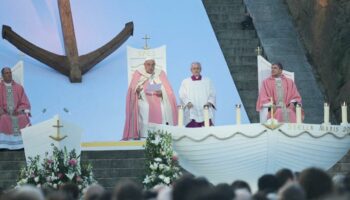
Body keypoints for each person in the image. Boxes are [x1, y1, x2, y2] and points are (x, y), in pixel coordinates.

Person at [123, 58, 178, 140]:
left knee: (163, 109)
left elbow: (168, 89)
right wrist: (137, 90)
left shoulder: (160, 73)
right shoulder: (138, 73)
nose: (151, 67)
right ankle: (144, 135)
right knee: (145, 108)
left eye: (153, 65)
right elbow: (132, 89)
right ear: (144, 65)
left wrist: (162, 92)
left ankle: (161, 133)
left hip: (159, 99)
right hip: (144, 99)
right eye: (148, 64)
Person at [0, 67, 31, 149]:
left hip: (17, 113)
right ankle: (4, 145)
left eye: (10, 72)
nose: (9, 74)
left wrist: (19, 110)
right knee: (3, 118)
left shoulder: (19, 88)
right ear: (2, 75)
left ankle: (22, 145)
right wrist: (2, 111)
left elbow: (25, 103)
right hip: (4, 113)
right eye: (6, 73)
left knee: (23, 118)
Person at [179, 62, 216, 127]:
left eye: (198, 68)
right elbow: (182, 94)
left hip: (205, 110)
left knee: (208, 131)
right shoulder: (185, 82)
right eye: (194, 68)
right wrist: (188, 102)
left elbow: (212, 94)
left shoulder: (207, 81)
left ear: (200, 69)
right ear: (191, 70)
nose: (196, 70)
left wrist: (209, 103)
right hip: (192, 110)